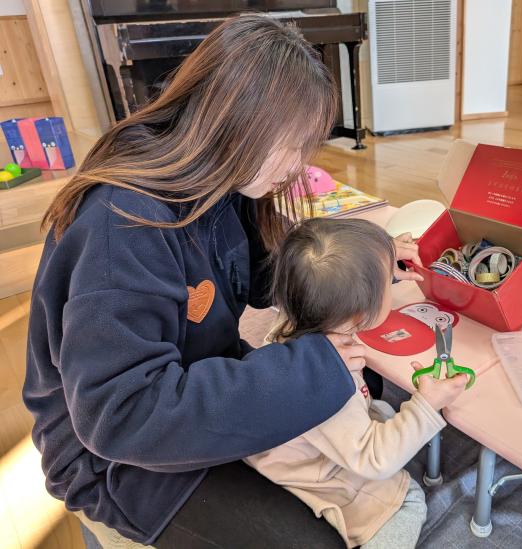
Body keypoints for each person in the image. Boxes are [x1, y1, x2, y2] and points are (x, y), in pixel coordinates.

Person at [22, 15, 452, 548]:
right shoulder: (122, 223)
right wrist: (309, 368)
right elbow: (121, 416)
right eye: (294, 145)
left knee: (363, 384)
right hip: (118, 459)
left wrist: (370, 257)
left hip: (195, 386)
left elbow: (266, 274)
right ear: (239, 120)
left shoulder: (220, 184)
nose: (300, 166)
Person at [245, 218, 468, 549]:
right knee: (406, 499)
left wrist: (377, 267)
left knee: (381, 409)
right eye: (386, 283)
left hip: (292, 441)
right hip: (309, 473)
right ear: (357, 313)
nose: (391, 283)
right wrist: (426, 404)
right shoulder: (328, 382)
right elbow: (375, 460)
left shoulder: (298, 317)